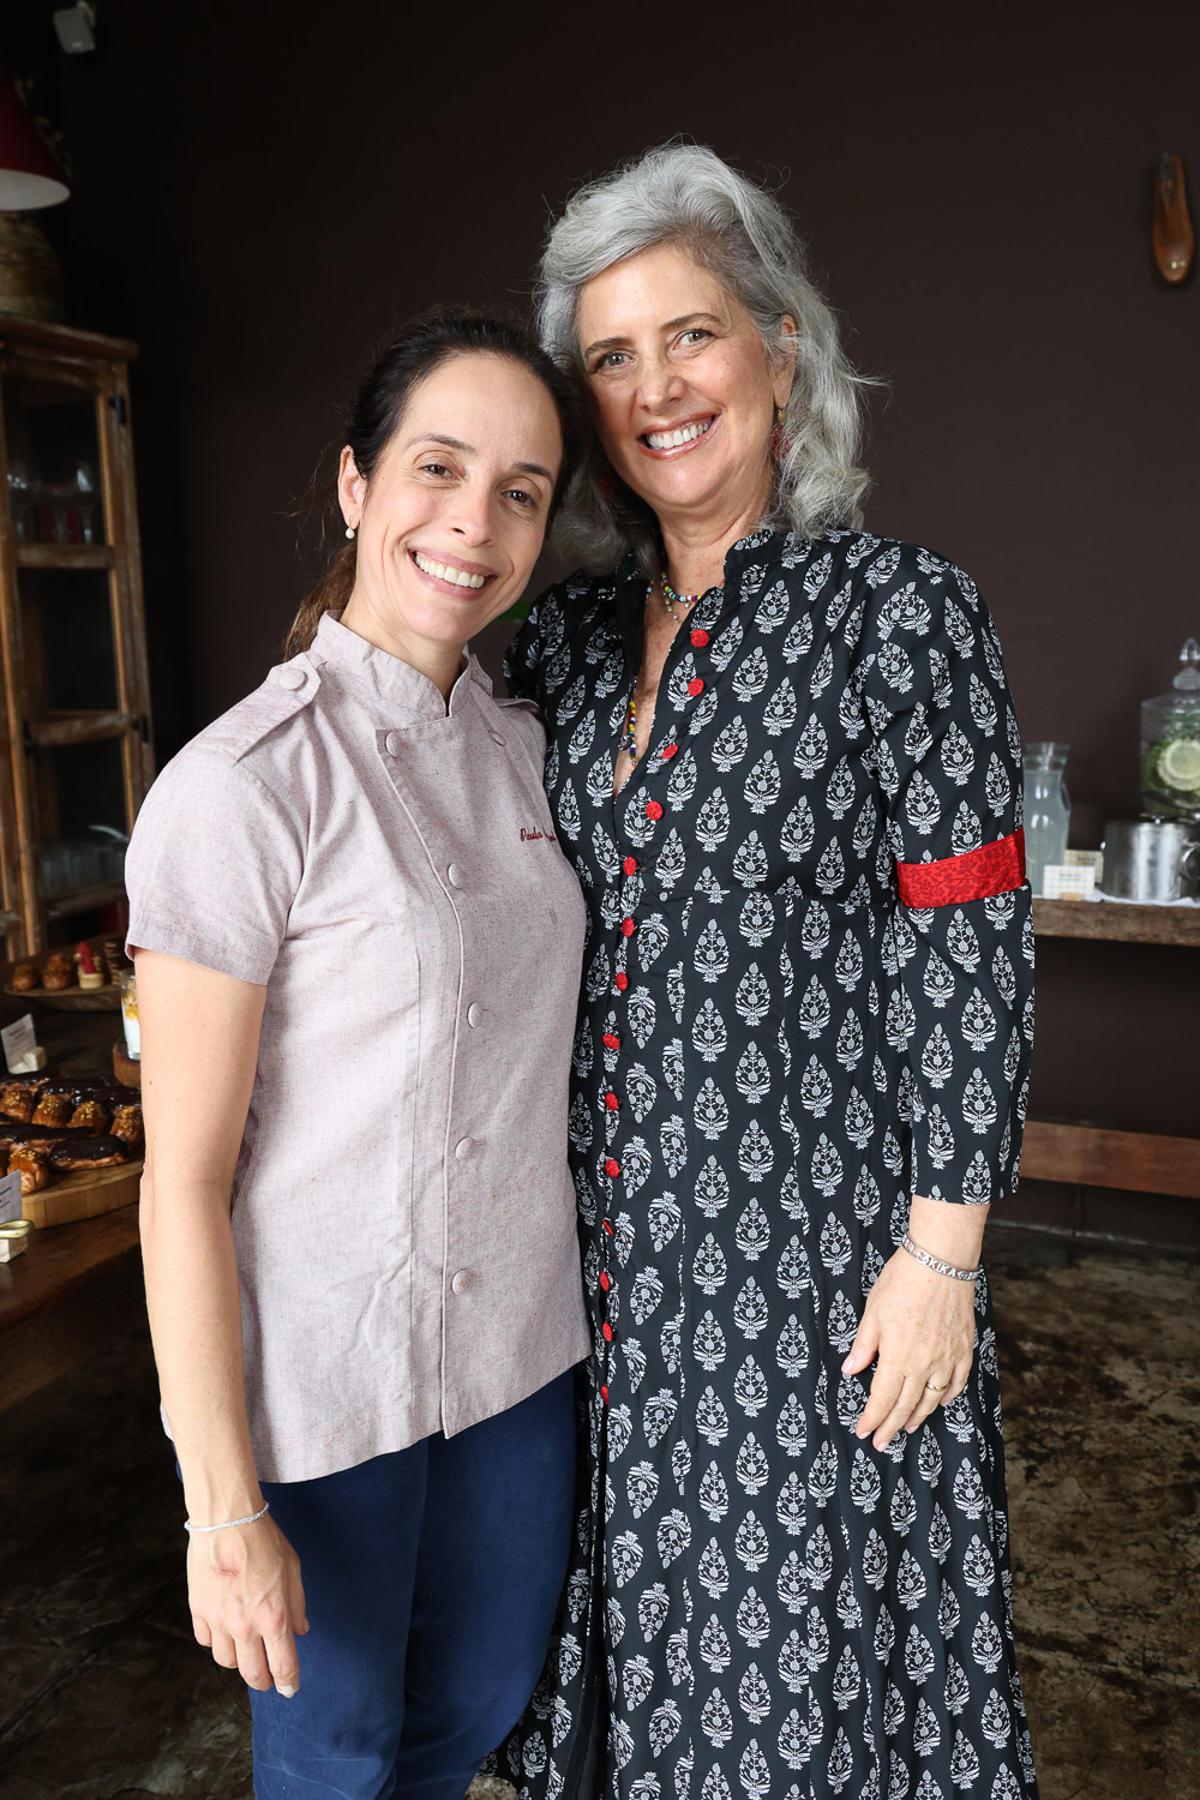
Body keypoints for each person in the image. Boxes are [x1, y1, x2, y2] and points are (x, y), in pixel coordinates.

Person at [497, 146, 1040, 1800]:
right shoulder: (563, 642)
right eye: (613, 357)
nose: (657, 387)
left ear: (781, 351)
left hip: (815, 1278)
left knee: (802, 1691)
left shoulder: (901, 618)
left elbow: (968, 940)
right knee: (638, 1689)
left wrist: (942, 1257)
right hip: (599, 1284)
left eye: (693, 335)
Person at [126, 308, 592, 1800]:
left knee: (477, 1709)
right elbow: (180, 1183)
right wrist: (220, 1507)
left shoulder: (530, 750)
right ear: (355, 484)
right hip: (327, 1382)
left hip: (520, 1358)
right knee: (335, 1758)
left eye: (520, 491)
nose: (474, 524)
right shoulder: (241, 788)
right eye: (437, 469)